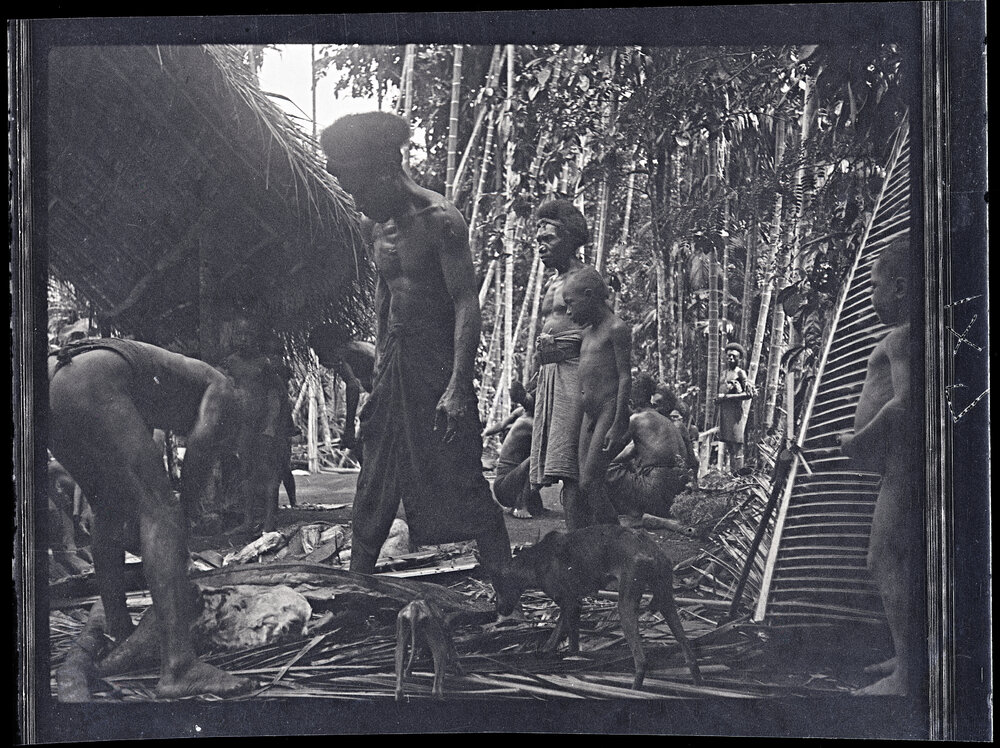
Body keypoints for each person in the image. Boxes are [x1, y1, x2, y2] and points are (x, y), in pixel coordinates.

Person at [319, 112, 512, 579]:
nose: (354, 195)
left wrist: (458, 386)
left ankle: (508, 589)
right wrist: (381, 365)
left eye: (356, 182)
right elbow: (386, 294)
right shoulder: (373, 226)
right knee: (375, 477)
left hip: (436, 363)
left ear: (384, 166)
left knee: (460, 474)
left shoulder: (440, 220)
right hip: (396, 366)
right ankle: (357, 587)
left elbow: (466, 302)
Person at [48, 338, 255, 697]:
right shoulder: (222, 388)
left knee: (108, 510)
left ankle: (119, 632)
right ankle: (179, 666)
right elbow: (198, 457)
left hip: (49, 385)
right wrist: (182, 522)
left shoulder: (159, 387)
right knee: (160, 508)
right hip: (89, 378)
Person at [839, 240, 922, 697]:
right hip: (900, 465)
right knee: (903, 559)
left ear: (901, 286)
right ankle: (907, 652)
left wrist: (857, 441)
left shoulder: (903, 337)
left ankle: (908, 674)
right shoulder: (908, 335)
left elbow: (904, 404)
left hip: (903, 468)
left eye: (873, 286)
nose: (870, 297)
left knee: (882, 557)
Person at [527, 200, 593, 528]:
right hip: (553, 377)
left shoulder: (585, 278)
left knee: (575, 471)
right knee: (563, 468)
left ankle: (583, 543)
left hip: (575, 377)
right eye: (538, 240)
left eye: (549, 239)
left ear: (568, 239)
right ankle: (578, 541)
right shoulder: (553, 281)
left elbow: (605, 333)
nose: (541, 246)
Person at [560, 265, 631, 527]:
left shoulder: (616, 328)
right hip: (589, 414)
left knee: (591, 481)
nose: (568, 312)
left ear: (589, 295)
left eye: (571, 304)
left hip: (607, 410)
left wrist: (617, 423)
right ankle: (600, 540)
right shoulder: (587, 333)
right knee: (583, 483)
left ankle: (618, 541)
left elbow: (625, 377)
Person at [606, 375, 692, 523]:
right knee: (617, 466)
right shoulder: (665, 420)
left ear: (631, 402)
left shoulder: (636, 419)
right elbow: (628, 452)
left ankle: (632, 511)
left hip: (656, 493)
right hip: (676, 496)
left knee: (604, 471)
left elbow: (613, 448)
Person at [309, 324, 376, 458]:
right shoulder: (354, 349)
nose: (321, 361)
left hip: (389, 393)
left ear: (329, 348)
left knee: (363, 444)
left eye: (319, 354)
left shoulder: (342, 355)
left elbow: (353, 386)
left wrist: (349, 427)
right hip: (385, 393)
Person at [491, 385, 545, 519]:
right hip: (503, 487)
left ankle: (532, 503)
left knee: (534, 456)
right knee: (536, 457)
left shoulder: (524, 416)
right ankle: (521, 505)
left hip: (510, 483)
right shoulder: (527, 422)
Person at [716, 342, 753, 472]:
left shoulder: (741, 373)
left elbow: (748, 394)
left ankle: (739, 474)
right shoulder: (724, 373)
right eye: (729, 356)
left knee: (737, 444)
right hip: (725, 412)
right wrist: (719, 399)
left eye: (734, 356)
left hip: (735, 413)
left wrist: (728, 397)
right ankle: (732, 474)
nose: (731, 359)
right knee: (729, 445)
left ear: (740, 359)